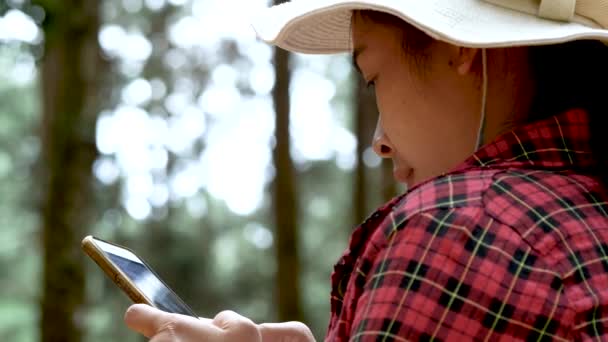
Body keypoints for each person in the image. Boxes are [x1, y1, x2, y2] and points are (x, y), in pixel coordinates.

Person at [123, 0, 608, 340]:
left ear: (457, 45)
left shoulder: (459, 230)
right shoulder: (583, 215)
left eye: (372, 75)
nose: (381, 142)